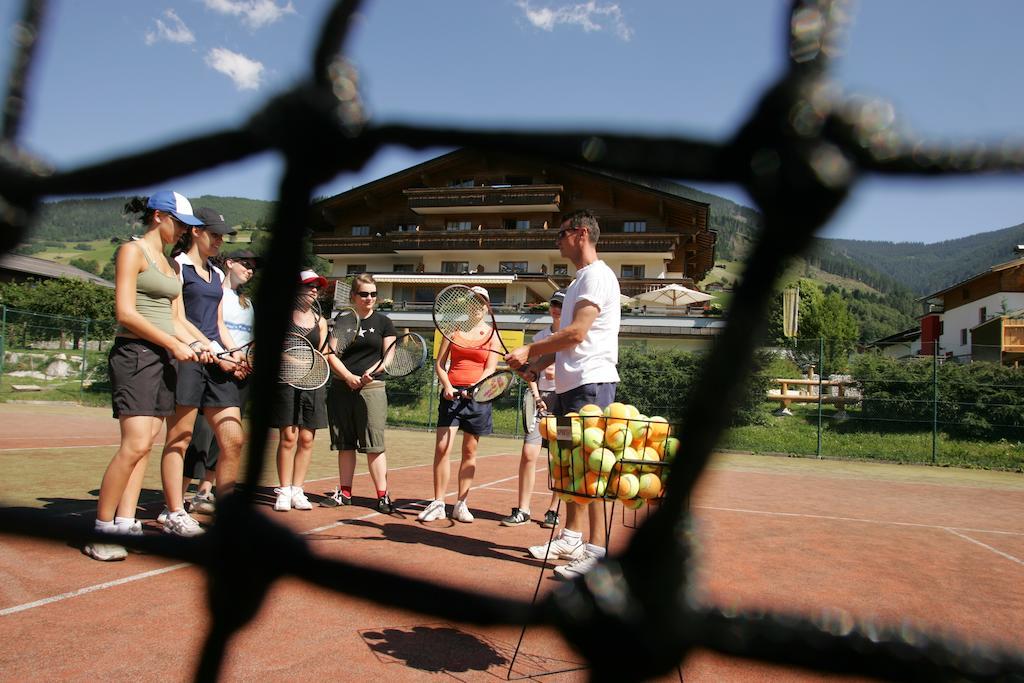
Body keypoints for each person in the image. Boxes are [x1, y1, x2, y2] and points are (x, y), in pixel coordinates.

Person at [83, 192, 202, 562]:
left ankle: (125, 520)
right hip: (135, 355)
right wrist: (173, 343)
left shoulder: (173, 267)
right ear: (157, 216)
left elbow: (178, 319)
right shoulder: (132, 252)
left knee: (147, 443)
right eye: (179, 222)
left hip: (164, 357)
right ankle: (101, 529)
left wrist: (206, 345)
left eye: (187, 226)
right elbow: (126, 313)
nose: (183, 231)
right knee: (134, 444)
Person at [506, 210, 621, 579]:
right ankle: (571, 538)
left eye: (561, 233)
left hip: (592, 385)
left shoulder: (597, 277)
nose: (557, 240)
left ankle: (598, 552)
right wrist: (534, 367)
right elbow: (566, 345)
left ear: (581, 233)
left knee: (592, 468)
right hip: (574, 386)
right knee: (572, 469)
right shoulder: (577, 283)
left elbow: (576, 334)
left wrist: (529, 351)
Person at [158, 208, 245, 537]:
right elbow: (174, 316)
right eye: (215, 233)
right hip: (188, 361)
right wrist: (204, 346)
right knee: (180, 439)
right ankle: (173, 510)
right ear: (195, 231)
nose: (220, 240)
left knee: (233, 440)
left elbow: (219, 323)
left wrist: (235, 353)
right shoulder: (177, 266)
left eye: (223, 236)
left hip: (217, 363)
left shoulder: (216, 274)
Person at [179, 249, 258, 515]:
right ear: (230, 263)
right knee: (198, 438)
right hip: (211, 366)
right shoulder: (213, 290)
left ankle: (204, 493)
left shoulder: (247, 302)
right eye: (246, 264)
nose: (251, 270)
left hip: (238, 371)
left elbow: (243, 339)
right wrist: (224, 359)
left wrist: (243, 360)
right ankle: (176, 500)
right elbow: (209, 329)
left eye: (254, 267)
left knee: (227, 441)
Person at [419, 286, 500, 523]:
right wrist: (447, 386)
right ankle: (438, 503)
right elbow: (440, 364)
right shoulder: (452, 331)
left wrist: (474, 388)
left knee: (469, 451)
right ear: (467, 305)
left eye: (481, 302)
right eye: (473, 301)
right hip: (451, 397)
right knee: (443, 448)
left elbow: (490, 368)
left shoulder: (492, 333)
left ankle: (461, 504)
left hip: (477, 399)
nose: (477, 306)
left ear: (487, 307)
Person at [323, 273, 397, 512]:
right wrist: (348, 377)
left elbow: (389, 357)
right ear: (353, 296)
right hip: (341, 388)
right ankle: (345, 493)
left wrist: (369, 374)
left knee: (374, 444)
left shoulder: (384, 322)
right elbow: (330, 353)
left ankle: (383, 496)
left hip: (372, 388)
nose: (369, 298)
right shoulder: (343, 320)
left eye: (373, 294)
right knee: (345, 444)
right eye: (364, 294)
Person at [500, 290, 565, 528]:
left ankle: (553, 510)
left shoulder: (572, 336)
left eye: (560, 304)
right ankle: (523, 509)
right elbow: (531, 373)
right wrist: (538, 397)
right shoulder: (539, 337)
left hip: (564, 400)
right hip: (541, 399)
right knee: (529, 454)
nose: (556, 307)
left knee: (559, 459)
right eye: (553, 303)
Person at [268, 270, 330, 512]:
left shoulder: (320, 321)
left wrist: (315, 365)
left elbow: (323, 354)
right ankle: (283, 490)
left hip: (313, 384)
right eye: (309, 285)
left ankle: (297, 490)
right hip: (286, 382)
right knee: (289, 437)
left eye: (317, 286)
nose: (314, 290)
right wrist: (299, 363)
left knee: (306, 439)